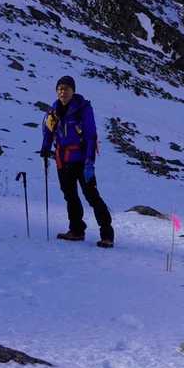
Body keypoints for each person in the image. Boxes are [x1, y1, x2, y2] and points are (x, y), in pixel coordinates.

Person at [40, 75, 114, 248]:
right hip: (63, 160)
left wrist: (89, 162)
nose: (62, 92)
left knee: (91, 196)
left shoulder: (83, 109)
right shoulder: (53, 111)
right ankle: (76, 230)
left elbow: (91, 136)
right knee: (70, 196)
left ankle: (107, 234)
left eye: (66, 89)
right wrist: (45, 148)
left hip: (81, 160)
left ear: (73, 91)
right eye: (59, 89)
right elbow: (48, 131)